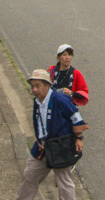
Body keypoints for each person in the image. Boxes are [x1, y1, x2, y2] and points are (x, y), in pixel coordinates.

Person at [15, 68, 87, 200]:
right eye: (32, 86)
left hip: (59, 147)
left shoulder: (60, 100)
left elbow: (77, 119)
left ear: (47, 85)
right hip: (41, 148)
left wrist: (78, 138)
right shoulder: (37, 101)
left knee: (64, 183)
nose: (34, 90)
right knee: (29, 177)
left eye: (38, 86)